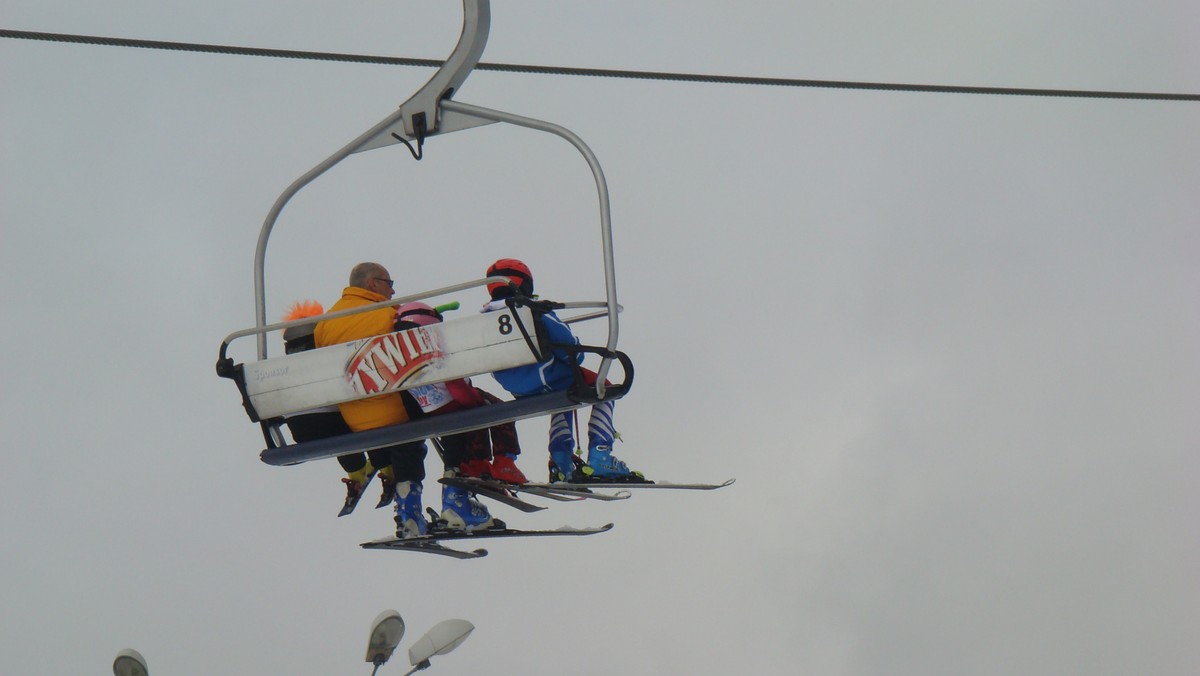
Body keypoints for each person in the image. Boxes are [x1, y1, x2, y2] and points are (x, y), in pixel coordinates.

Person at [481, 258, 643, 483]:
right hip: (546, 376)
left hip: (515, 386)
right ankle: (600, 453)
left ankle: (561, 462)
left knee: (561, 396)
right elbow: (571, 349)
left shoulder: (484, 321)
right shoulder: (532, 311)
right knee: (604, 388)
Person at [315, 262, 430, 538]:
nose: (392, 291)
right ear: (372, 284)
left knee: (393, 424)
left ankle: (407, 511)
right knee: (431, 416)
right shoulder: (388, 315)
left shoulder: (322, 326)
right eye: (389, 283)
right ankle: (422, 510)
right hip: (396, 412)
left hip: (355, 421)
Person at [394, 302, 528, 531]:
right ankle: (474, 487)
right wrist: (474, 402)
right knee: (497, 413)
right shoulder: (434, 347)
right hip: (454, 406)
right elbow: (455, 384)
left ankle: (409, 516)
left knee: (423, 442)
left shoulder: (396, 353)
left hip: (424, 410)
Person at [279, 300, 382, 515]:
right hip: (342, 426)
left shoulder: (279, 371)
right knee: (372, 415)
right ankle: (387, 468)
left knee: (329, 425)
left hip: (302, 434)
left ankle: (356, 474)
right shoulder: (331, 360)